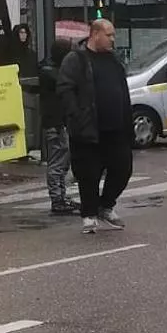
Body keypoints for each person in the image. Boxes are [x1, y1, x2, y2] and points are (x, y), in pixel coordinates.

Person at [58, 16, 135, 233]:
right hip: (89, 129)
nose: (113, 39)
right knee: (89, 173)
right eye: (109, 35)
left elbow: (123, 91)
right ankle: (89, 214)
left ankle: (106, 205)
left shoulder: (113, 61)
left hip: (116, 128)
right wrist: (77, 116)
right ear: (95, 34)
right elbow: (65, 89)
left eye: (113, 35)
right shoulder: (77, 59)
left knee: (123, 169)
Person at [37, 36, 77, 215]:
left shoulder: (51, 70)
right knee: (57, 163)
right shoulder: (50, 72)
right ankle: (57, 199)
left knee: (62, 162)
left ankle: (61, 196)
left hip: (59, 123)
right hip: (56, 124)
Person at [12, 22, 41, 157]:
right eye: (20, 33)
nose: (23, 36)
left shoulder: (31, 54)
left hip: (30, 91)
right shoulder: (11, 54)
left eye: (25, 33)